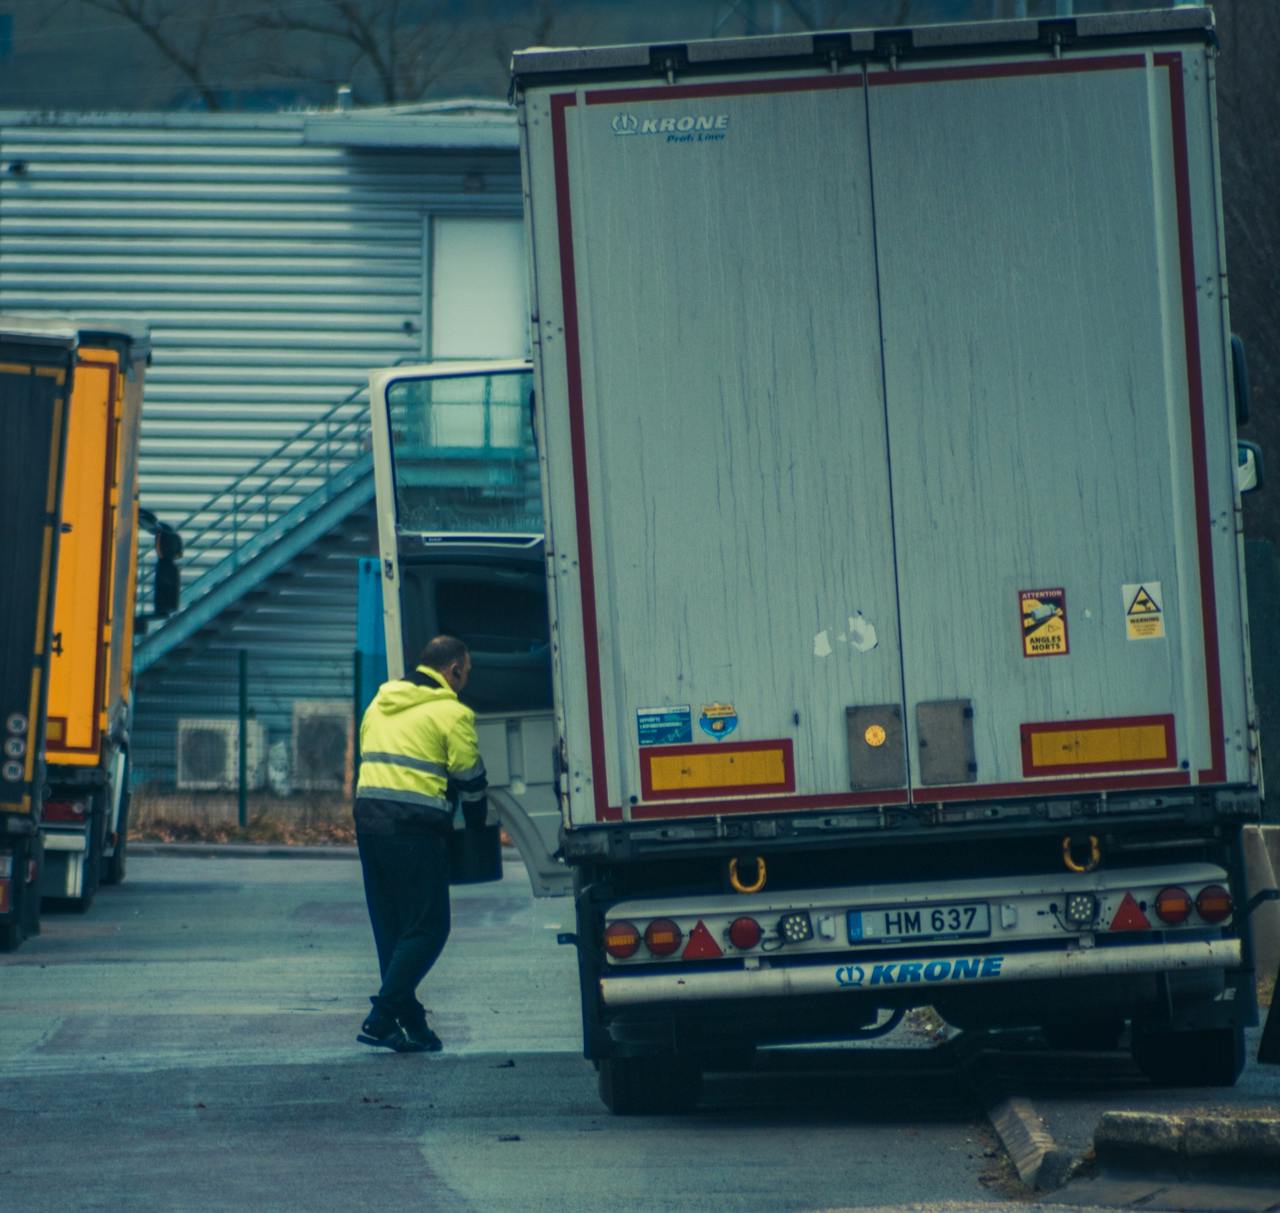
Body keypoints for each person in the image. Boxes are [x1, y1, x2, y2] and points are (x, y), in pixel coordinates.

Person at [353, 634, 488, 1052]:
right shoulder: (452, 712)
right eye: (466, 673)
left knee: (393, 933)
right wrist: (477, 820)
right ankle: (380, 1017)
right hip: (414, 831)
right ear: (454, 670)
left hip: (369, 827)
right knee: (429, 928)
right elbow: (469, 775)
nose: (466, 680)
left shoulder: (380, 701)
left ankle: (410, 1027)